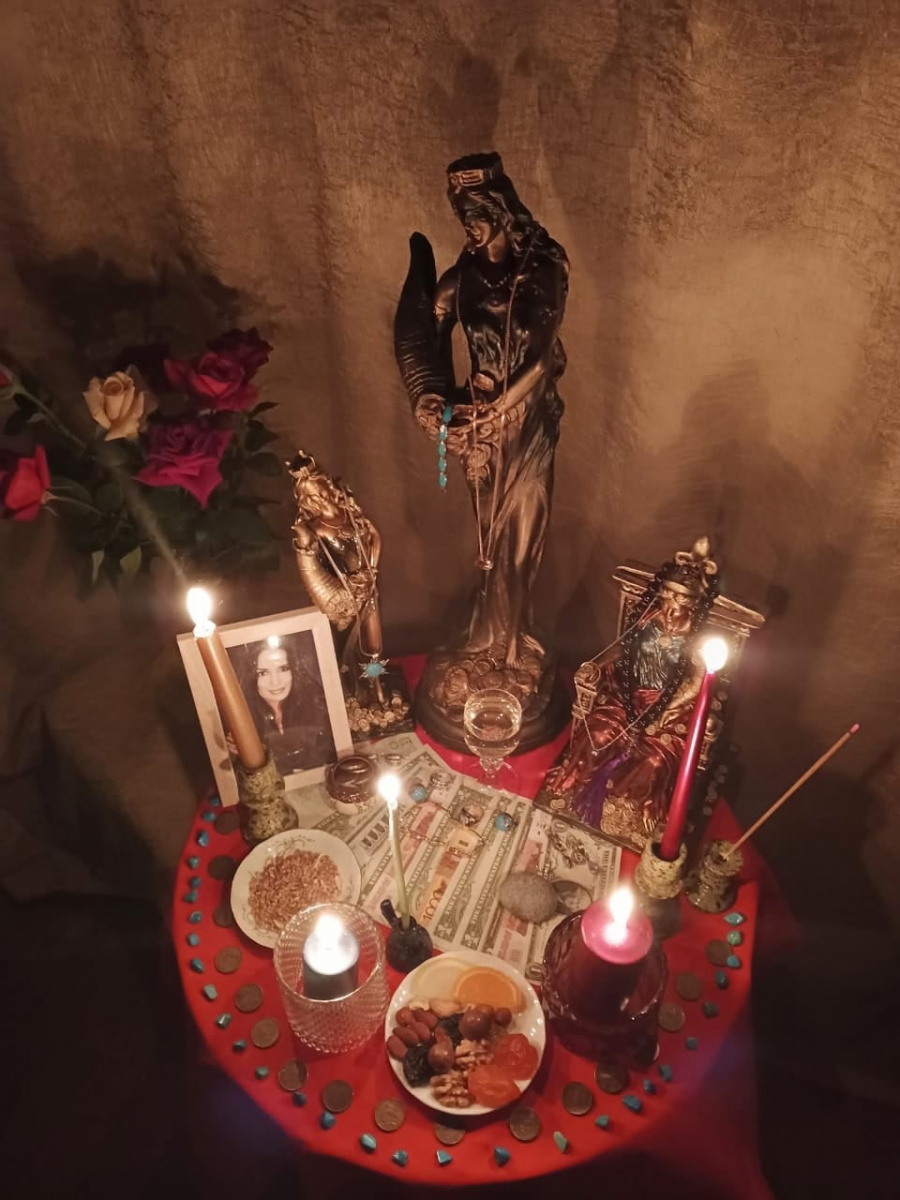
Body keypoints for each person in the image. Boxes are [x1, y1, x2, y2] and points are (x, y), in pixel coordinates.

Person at [545, 539, 719, 846]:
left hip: (669, 708)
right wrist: (595, 665)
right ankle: (578, 781)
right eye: (667, 599)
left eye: (679, 604)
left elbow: (695, 683)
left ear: (691, 605)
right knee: (598, 734)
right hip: (627, 695)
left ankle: (624, 806)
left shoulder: (697, 638)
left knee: (653, 762)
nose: (670, 609)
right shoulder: (647, 619)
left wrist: (664, 711)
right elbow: (622, 650)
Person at [231, 634, 334, 777]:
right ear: (252, 677)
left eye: (283, 669)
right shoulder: (239, 722)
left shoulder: (319, 708)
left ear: (294, 670)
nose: (275, 682)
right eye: (263, 673)